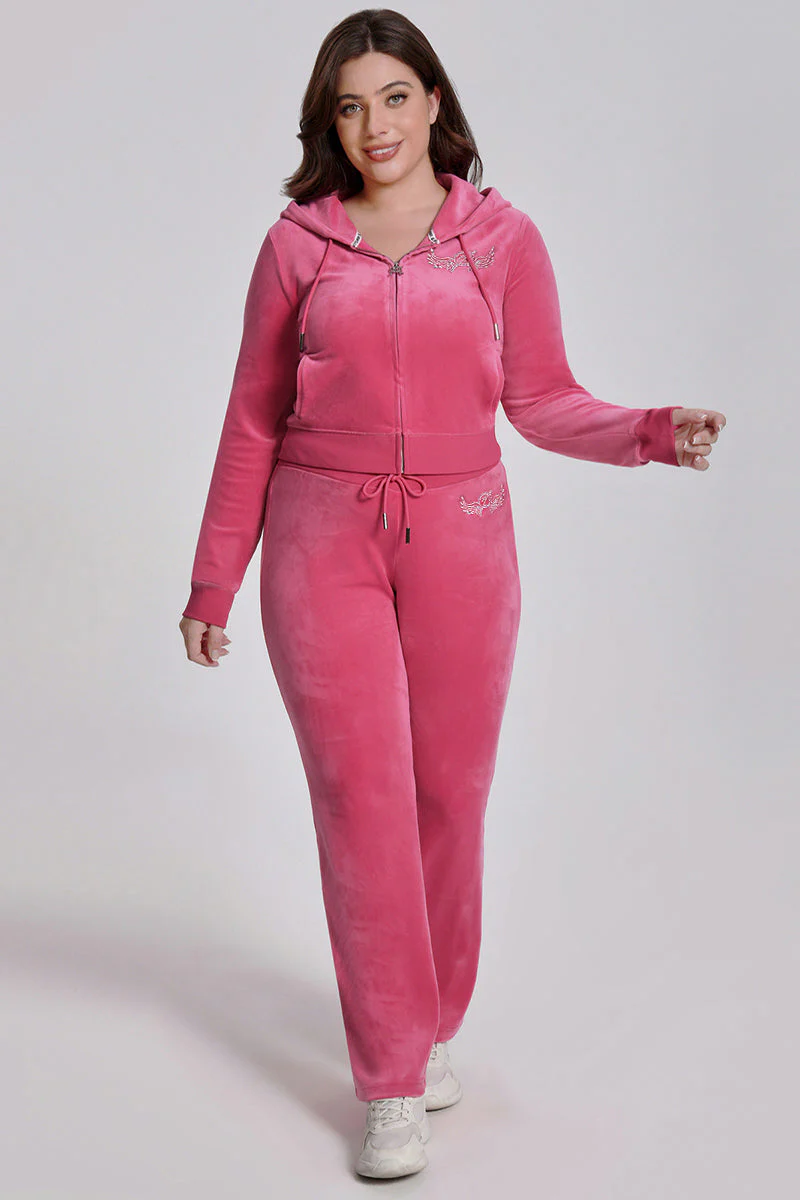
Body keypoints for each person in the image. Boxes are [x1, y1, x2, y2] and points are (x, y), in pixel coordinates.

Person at [178, 9, 726, 1180]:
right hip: (319, 542)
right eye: (348, 106)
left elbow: (540, 400)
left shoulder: (501, 240)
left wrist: (646, 431)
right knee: (360, 799)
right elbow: (249, 421)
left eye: (392, 97)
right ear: (329, 125)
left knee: (446, 797)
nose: (373, 125)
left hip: (463, 544)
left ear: (433, 102)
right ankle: (387, 1079)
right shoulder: (296, 246)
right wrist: (213, 578)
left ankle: (427, 1026)